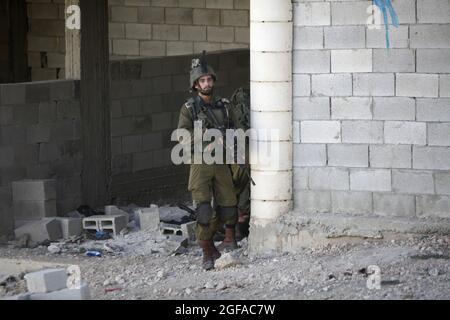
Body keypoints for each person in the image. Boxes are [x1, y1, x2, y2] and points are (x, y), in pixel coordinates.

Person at [177, 52, 239, 270]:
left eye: (209, 79)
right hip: (200, 162)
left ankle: (226, 241)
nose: (206, 83)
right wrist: (202, 133)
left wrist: (234, 156)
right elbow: (181, 135)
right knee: (203, 210)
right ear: (195, 85)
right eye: (202, 81)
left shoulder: (224, 106)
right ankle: (207, 252)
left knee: (229, 206)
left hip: (221, 161)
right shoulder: (189, 108)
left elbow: (235, 131)